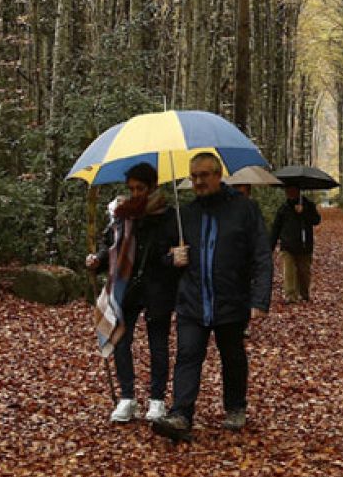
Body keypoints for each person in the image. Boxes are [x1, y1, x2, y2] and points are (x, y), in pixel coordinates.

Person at [151, 153, 273, 442]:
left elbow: (261, 256)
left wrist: (260, 299)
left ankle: (235, 407)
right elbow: (157, 255)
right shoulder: (185, 214)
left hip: (232, 299)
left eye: (205, 175)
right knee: (188, 355)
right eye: (194, 177)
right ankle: (181, 414)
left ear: (219, 175)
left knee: (232, 355)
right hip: (192, 301)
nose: (199, 182)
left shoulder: (245, 209)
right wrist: (172, 257)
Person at [85, 162, 178, 424]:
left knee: (157, 343)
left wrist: (173, 258)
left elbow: (170, 251)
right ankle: (127, 397)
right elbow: (111, 247)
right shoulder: (123, 214)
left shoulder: (168, 216)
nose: (136, 193)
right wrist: (98, 260)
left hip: (158, 286)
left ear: (152, 187)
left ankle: (157, 400)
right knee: (120, 340)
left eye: (141, 188)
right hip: (126, 286)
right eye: (132, 188)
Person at [269, 185, 322, 303]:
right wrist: (270, 247)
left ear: (298, 191)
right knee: (289, 271)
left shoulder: (308, 205)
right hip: (287, 246)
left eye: (292, 190)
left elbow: (317, 220)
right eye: (288, 190)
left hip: (304, 246)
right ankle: (290, 296)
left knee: (304, 273)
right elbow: (275, 229)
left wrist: (304, 212)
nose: (289, 193)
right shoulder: (283, 208)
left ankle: (304, 294)